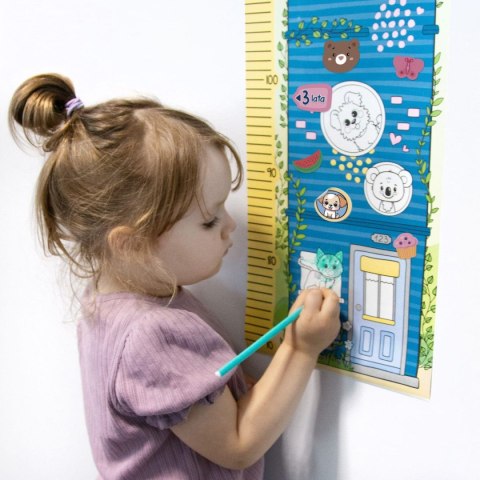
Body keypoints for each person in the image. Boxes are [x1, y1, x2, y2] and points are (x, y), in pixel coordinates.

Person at [9, 73, 341, 480]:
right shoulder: (152, 333)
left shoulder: (106, 300)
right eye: (208, 220)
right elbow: (238, 445)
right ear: (132, 244)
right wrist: (302, 348)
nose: (230, 227)